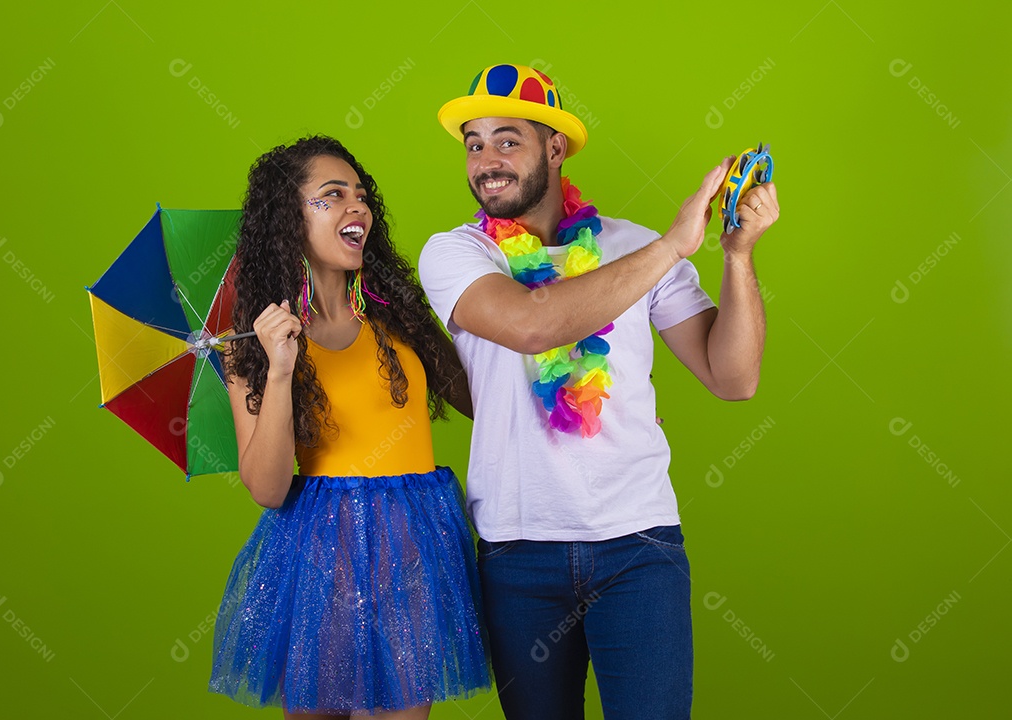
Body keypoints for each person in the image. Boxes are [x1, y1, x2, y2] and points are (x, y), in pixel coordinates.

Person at [418, 64, 779, 719]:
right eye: (474, 144)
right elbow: (532, 325)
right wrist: (673, 246)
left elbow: (734, 378)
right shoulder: (455, 255)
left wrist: (737, 255)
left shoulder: (633, 246)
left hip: (639, 546)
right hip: (517, 553)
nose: (486, 161)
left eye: (507, 141)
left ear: (555, 147)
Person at [209, 135, 491, 719]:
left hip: (413, 548)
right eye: (332, 195)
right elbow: (266, 488)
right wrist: (280, 369)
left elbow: (487, 399)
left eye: (360, 195)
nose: (356, 206)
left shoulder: (401, 315)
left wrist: (606, 404)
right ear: (289, 219)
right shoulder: (254, 344)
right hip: (319, 557)